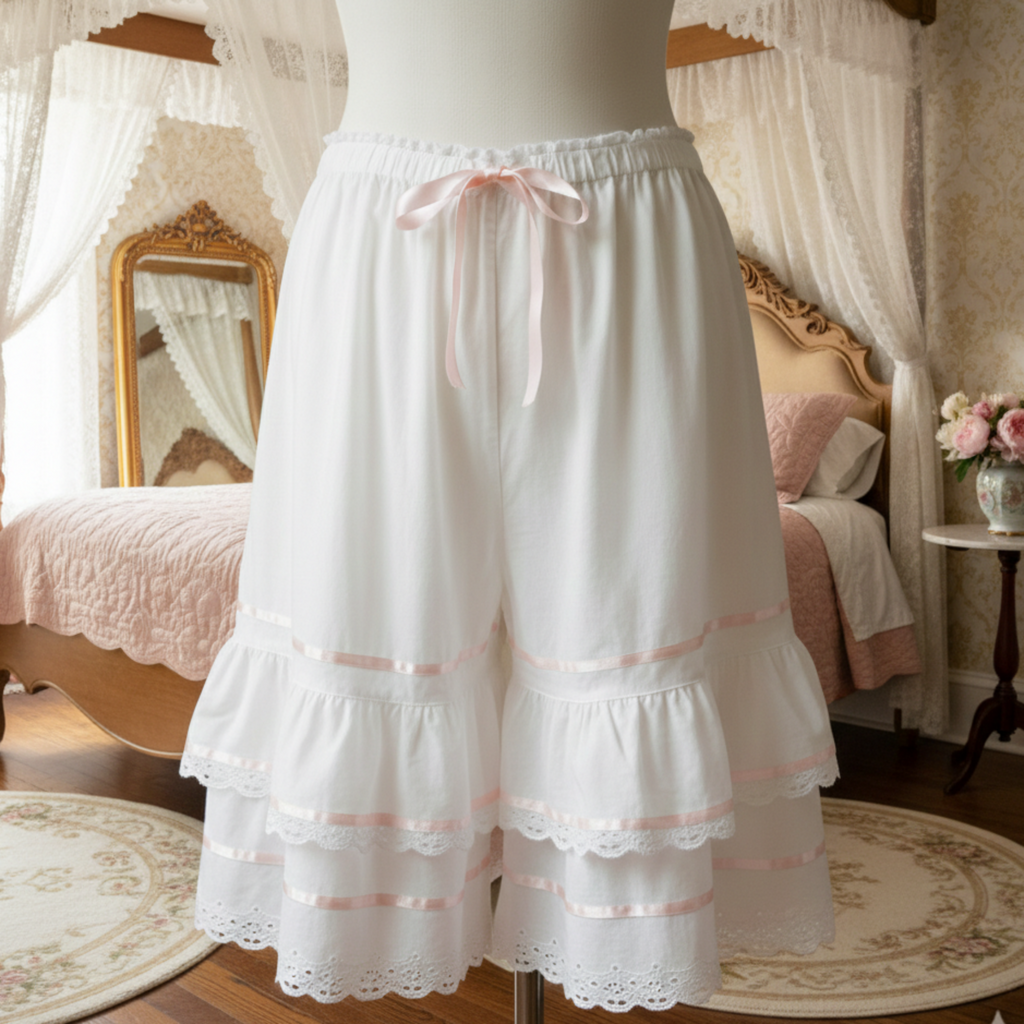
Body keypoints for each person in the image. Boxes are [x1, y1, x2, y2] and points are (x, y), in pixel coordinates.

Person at [181, 0, 838, 1011]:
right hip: (384, 244)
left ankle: (610, 931)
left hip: (628, 238)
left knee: (624, 628)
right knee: (376, 621)